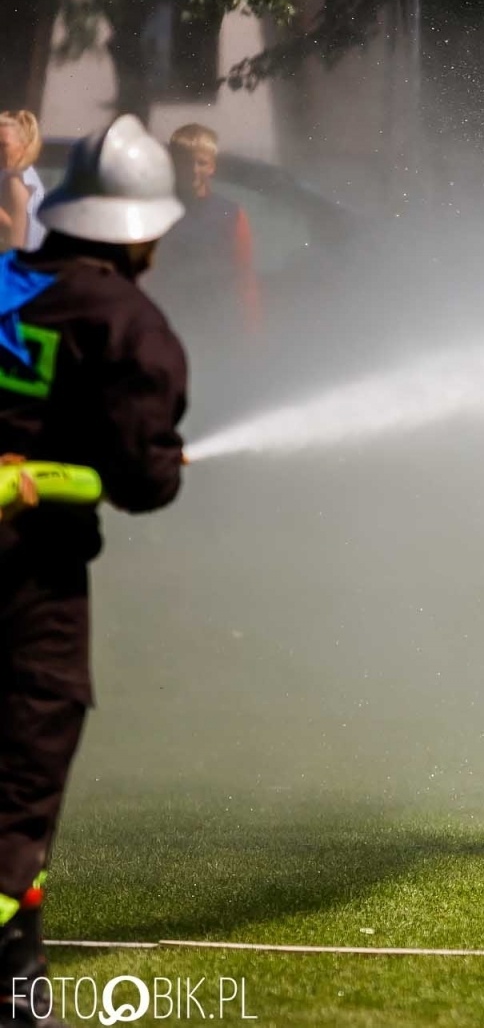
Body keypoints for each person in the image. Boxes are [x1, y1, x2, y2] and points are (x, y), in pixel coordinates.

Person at [0, 115, 187, 1026]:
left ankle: (17, 987)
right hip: (27, 588)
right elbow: (145, 481)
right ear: (143, 231)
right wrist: (156, 459)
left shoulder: (5, 286)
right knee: (16, 795)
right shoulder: (125, 323)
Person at [157, 123, 262, 333]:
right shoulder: (157, 213)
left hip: (219, 323)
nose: (193, 171)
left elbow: (245, 277)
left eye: (201, 163)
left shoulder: (231, 214)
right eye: (185, 163)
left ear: (212, 166)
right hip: (171, 322)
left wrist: (252, 332)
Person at [0, 113, 46, 253]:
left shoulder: (15, 182)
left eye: (3, 145)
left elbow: (16, 243)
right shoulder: (26, 176)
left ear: (24, 146)